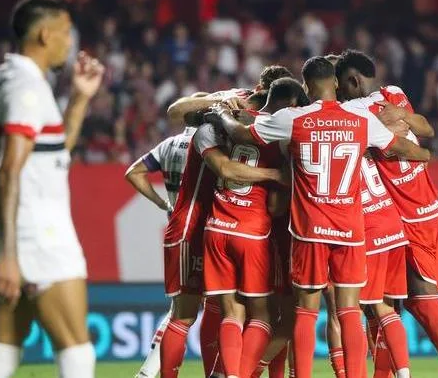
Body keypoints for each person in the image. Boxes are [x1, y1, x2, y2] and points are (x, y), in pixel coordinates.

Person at [207, 56, 431, 378]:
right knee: (350, 310)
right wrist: (425, 154)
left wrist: (222, 116)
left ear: (307, 86)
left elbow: (242, 134)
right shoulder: (360, 119)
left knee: (306, 311)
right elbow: (400, 147)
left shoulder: (293, 118)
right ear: (336, 83)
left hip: (310, 230)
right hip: (349, 230)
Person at [0, 0, 104, 378]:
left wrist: (79, 99)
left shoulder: (16, 80)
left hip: (22, 235)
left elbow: (53, 154)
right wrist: (10, 256)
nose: (69, 42)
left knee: (0, 358)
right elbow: (9, 169)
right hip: (37, 236)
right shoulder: (25, 87)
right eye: (65, 33)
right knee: (77, 355)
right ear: (44, 34)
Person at [334, 50, 438, 378]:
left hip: (412, 214)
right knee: (387, 303)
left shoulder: (368, 104)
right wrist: (406, 128)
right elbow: (418, 137)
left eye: (340, 87)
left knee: (412, 301)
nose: (338, 95)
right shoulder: (386, 96)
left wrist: (404, 117)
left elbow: (426, 129)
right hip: (410, 211)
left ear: (352, 81)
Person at [159, 93, 284, 378]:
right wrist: (221, 100)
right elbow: (176, 111)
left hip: (216, 226)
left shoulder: (240, 131)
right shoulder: (212, 127)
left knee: (226, 308)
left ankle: (219, 373)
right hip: (191, 227)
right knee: (186, 313)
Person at [200, 78, 308, 378]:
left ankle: (227, 374)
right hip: (252, 232)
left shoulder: (230, 125)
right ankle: (244, 374)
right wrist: (278, 178)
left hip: (216, 226)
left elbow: (221, 164)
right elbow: (274, 206)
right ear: (291, 104)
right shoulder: (279, 135)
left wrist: (220, 111)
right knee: (262, 316)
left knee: (232, 312)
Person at [335, 54, 413, 378]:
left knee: (359, 308)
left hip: (366, 226)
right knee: (388, 308)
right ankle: (401, 374)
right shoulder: (370, 124)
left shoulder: (340, 129)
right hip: (391, 223)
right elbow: (412, 136)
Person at [124, 99, 206, 378]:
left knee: (178, 309)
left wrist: (162, 203)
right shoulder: (205, 145)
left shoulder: (168, 145)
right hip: (201, 231)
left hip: (175, 226)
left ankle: (147, 373)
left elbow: (134, 173)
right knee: (214, 308)